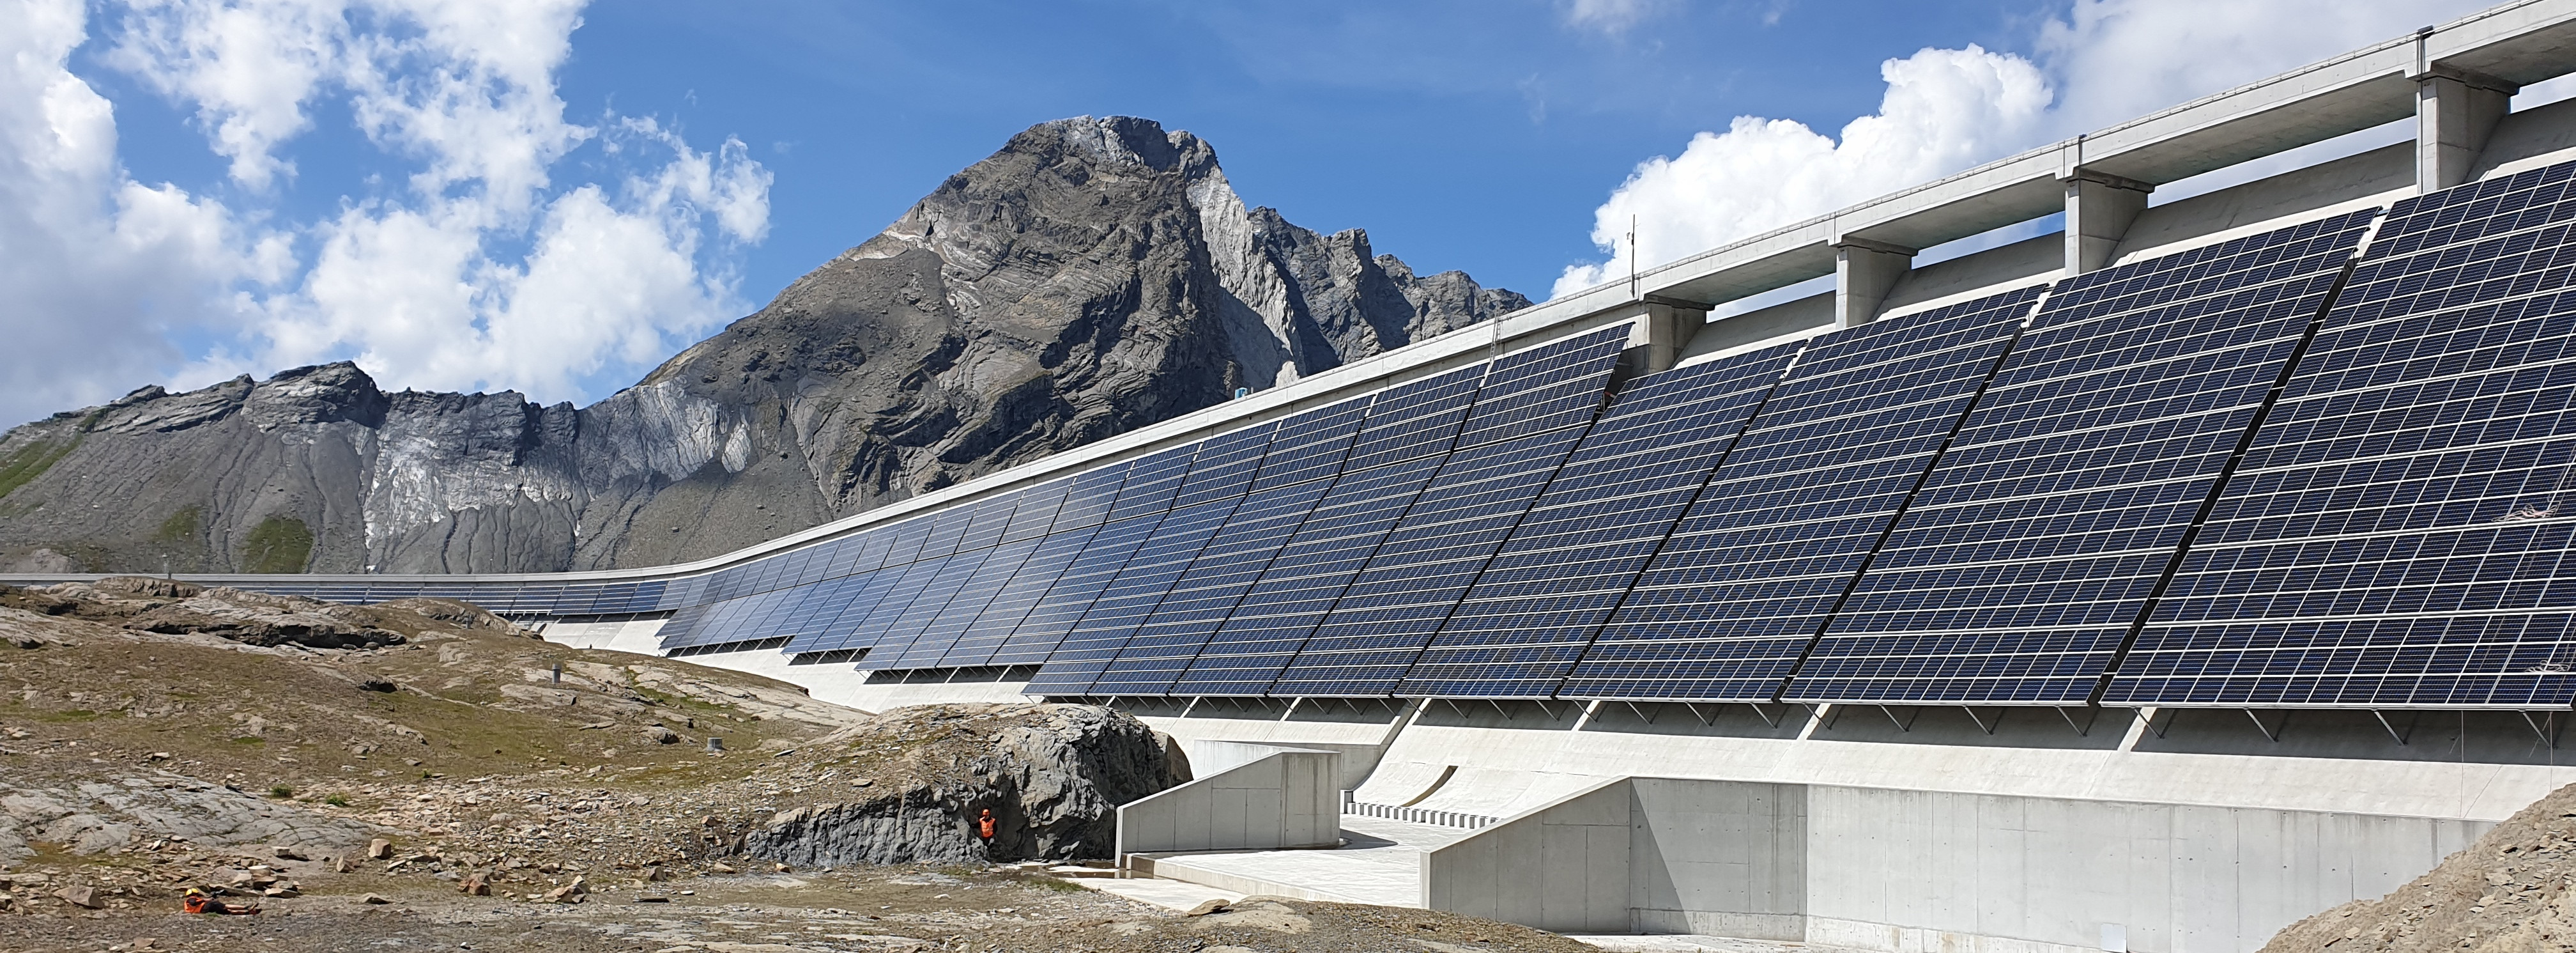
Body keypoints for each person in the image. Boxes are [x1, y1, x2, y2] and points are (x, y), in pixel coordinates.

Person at [182, 887, 260, 915]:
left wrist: (208, 899)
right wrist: (207, 900)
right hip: (207, 908)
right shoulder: (191, 899)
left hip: (205, 910)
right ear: (194, 894)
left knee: (228, 911)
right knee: (225, 906)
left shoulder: (189, 900)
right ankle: (247, 908)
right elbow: (194, 903)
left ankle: (248, 913)